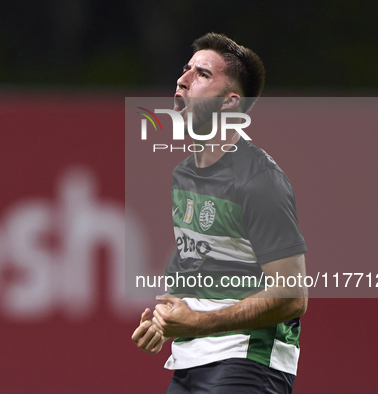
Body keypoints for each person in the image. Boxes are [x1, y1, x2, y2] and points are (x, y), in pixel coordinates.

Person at [131, 33, 308, 393]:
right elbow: (198, 264)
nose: (182, 80)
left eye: (202, 75)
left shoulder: (260, 180)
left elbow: (292, 295)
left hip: (247, 364)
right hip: (190, 362)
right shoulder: (183, 174)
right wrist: (166, 320)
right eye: (186, 70)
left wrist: (196, 322)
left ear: (230, 103)